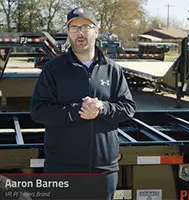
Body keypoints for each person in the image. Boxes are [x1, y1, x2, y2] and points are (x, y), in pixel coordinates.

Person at [30, 7, 136, 200]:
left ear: (96, 31)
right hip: (61, 169)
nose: (80, 32)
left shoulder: (112, 70)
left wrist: (103, 108)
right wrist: (74, 111)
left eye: (86, 27)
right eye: (74, 27)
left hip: (103, 169)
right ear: (68, 33)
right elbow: (38, 111)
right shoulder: (53, 69)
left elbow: (128, 108)